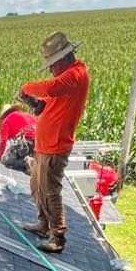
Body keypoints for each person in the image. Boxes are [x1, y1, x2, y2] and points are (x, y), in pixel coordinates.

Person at [20, 30, 90, 254]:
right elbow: (45, 107)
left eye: (52, 64)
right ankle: (44, 223)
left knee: (51, 189)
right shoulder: (65, 81)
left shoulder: (75, 75)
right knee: (37, 187)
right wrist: (32, 102)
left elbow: (51, 88)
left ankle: (57, 236)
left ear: (63, 59)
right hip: (45, 144)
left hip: (56, 145)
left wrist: (26, 88)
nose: (50, 69)